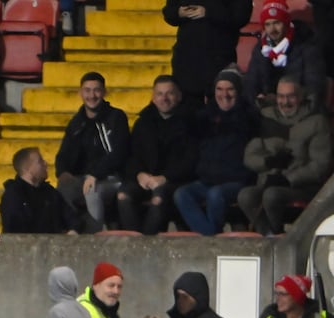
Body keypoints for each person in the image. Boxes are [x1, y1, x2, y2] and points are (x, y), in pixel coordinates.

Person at [238, 76, 333, 235]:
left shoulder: (317, 122)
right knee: (245, 196)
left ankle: (279, 237)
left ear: (301, 97)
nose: (285, 102)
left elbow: (320, 165)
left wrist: (288, 179)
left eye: (291, 96)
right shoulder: (266, 118)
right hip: (269, 181)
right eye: (281, 96)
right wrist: (267, 162)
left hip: (302, 186)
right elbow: (249, 156)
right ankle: (267, 236)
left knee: (272, 195)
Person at [173, 68, 258, 235]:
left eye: (230, 89)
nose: (224, 94)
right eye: (219, 89)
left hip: (237, 181)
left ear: (238, 91)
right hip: (208, 180)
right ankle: (211, 236)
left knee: (215, 194)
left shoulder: (248, 116)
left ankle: (210, 238)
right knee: (181, 194)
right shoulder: (205, 117)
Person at [116, 75, 198, 234]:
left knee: (158, 199)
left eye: (169, 93)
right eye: (159, 94)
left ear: (179, 96)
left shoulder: (191, 122)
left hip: (175, 180)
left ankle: (148, 248)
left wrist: (164, 178)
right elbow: (131, 155)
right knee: (123, 196)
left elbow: (191, 160)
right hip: (145, 178)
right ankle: (135, 244)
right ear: (153, 98)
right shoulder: (143, 121)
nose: (164, 98)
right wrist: (139, 174)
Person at [54, 72, 130, 233]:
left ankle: (91, 239)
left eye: (96, 90)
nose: (92, 95)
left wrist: (95, 175)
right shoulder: (77, 122)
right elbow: (63, 154)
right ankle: (71, 233)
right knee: (62, 188)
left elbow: (119, 153)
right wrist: (63, 173)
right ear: (80, 93)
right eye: (87, 90)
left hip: (113, 178)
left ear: (104, 92)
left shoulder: (116, 117)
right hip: (85, 178)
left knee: (92, 191)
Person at [162, 0, 252, 110]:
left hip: (220, 59)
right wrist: (178, 12)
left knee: (221, 112)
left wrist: (209, 12)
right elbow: (169, 12)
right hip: (186, 60)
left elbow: (241, 16)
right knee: (187, 113)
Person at [243, 0, 327, 111]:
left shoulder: (306, 47)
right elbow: (251, 84)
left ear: (286, 23)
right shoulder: (261, 50)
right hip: (268, 111)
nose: (272, 30)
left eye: (277, 23)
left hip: (299, 111)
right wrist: (258, 101)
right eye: (268, 24)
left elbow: (314, 88)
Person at [0, 147, 75, 233]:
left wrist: (73, 230)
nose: (45, 164)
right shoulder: (13, 195)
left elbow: (70, 217)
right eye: (40, 161)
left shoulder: (50, 192)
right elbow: (13, 230)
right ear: (28, 169)